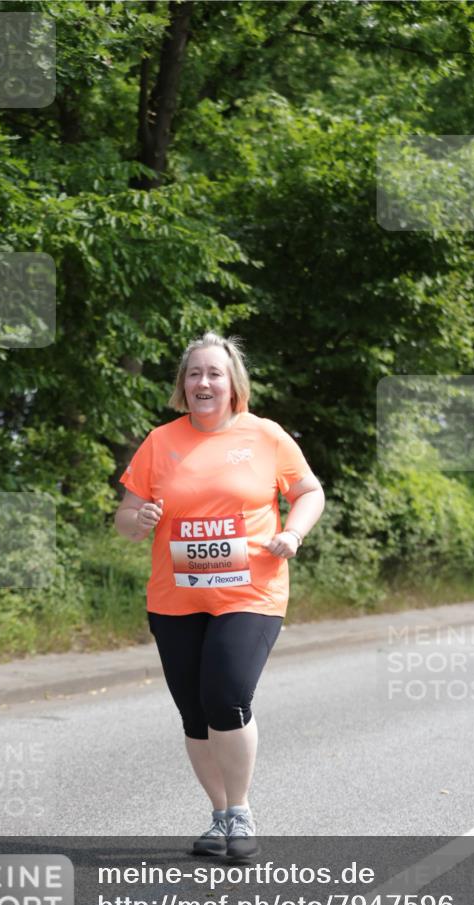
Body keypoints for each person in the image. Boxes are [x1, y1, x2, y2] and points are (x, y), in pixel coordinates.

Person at [114, 331, 325, 860]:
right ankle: (218, 815)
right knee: (194, 711)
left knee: (226, 695)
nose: (203, 382)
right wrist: (137, 519)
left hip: (252, 590)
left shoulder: (266, 436)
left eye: (214, 373)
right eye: (193, 374)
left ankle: (241, 810)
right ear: (182, 386)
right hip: (176, 597)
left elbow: (308, 492)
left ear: (234, 383)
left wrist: (293, 533)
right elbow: (125, 517)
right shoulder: (160, 442)